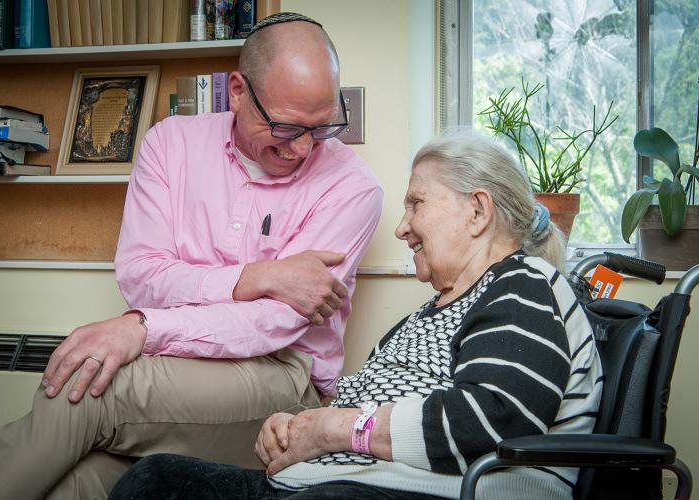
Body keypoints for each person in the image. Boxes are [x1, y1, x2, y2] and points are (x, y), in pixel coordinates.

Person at [0, 13, 383, 500]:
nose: (301, 148)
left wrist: (144, 328)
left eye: (320, 129)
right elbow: (142, 277)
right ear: (237, 90)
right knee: (82, 480)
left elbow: (272, 323)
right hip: (176, 365)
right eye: (284, 126)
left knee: (84, 392)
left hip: (282, 377)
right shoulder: (170, 143)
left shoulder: (352, 188)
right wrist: (256, 276)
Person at [109, 132, 604, 500]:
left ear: (477, 211)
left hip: (428, 492)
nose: (402, 228)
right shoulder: (426, 315)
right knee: (153, 481)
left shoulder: (523, 286)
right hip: (337, 483)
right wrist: (291, 424)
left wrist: (330, 431)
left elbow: (492, 418)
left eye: (416, 204)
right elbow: (360, 398)